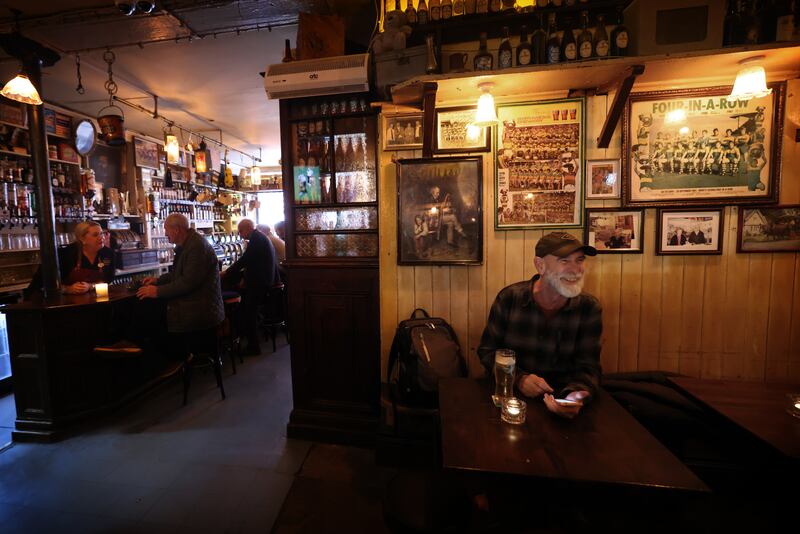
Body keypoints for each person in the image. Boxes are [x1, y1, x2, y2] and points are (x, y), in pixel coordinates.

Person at [477, 232, 602, 420]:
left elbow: (589, 367)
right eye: (564, 261)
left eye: (579, 260)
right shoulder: (510, 298)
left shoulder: (589, 308)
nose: (576, 270)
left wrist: (575, 397)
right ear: (540, 265)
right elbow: (487, 351)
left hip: (562, 398)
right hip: (509, 398)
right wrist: (520, 379)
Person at [137, 213, 224, 344]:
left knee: (151, 319)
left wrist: (156, 291)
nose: (165, 234)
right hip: (197, 308)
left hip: (200, 313)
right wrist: (158, 280)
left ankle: (169, 355)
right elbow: (180, 274)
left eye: (166, 230)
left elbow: (188, 282)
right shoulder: (188, 244)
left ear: (177, 230)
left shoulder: (196, 247)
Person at [221, 218, 280, 355]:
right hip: (265, 281)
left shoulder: (257, 239)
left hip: (260, 283)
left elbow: (245, 260)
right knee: (244, 306)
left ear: (248, 228)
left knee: (248, 312)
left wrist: (226, 273)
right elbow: (252, 261)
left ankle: (253, 346)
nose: (240, 234)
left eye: (240, 231)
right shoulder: (259, 237)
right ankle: (243, 337)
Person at [28, 220, 114, 295]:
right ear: (82, 239)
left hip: (94, 299)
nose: (101, 237)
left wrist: (91, 286)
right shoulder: (65, 254)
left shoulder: (107, 253)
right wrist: (68, 289)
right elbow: (43, 283)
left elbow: (108, 279)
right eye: (95, 235)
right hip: (64, 302)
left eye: (101, 233)